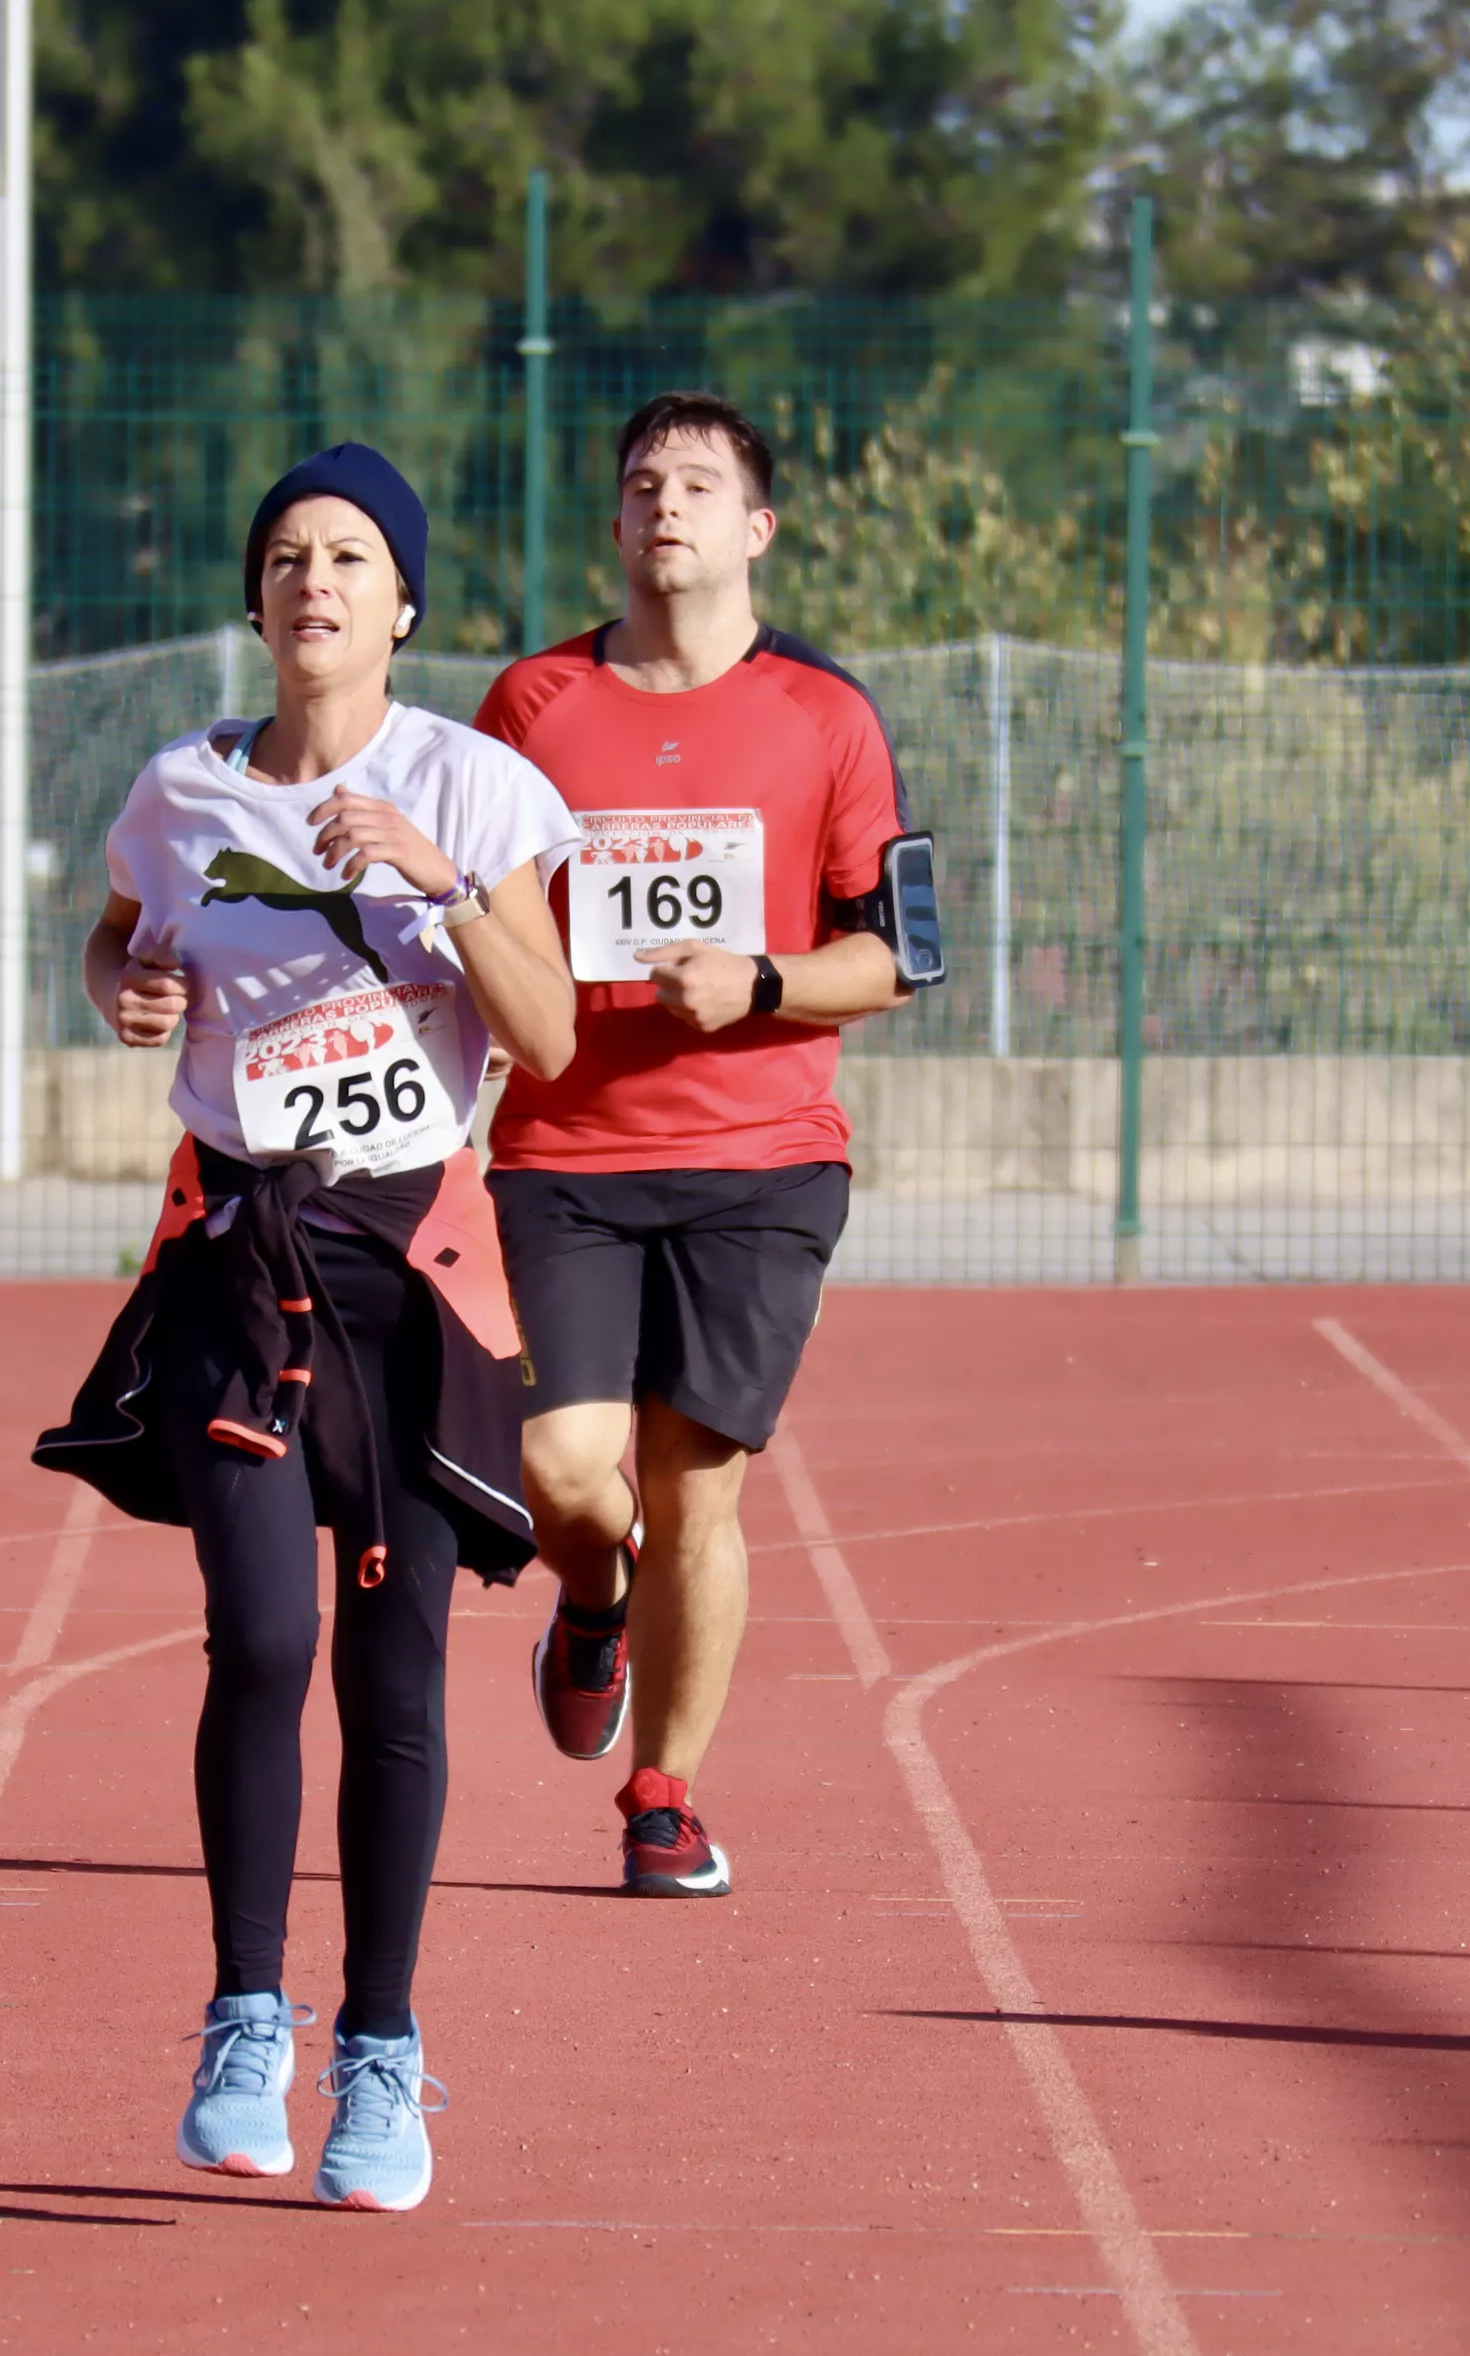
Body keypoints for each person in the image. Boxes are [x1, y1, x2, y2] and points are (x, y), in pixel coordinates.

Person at [35, 442, 581, 2212]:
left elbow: (552, 1039)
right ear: (257, 600)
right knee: (261, 1636)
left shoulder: (480, 791)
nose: (316, 580)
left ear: (403, 603)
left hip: (407, 1269)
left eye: (351, 556)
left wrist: (440, 875)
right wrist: (127, 989)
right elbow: (116, 938)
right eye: (287, 555)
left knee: (393, 1667)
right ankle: (245, 2015)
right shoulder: (183, 790)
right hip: (233, 1247)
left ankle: (387, 2057)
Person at [475, 393, 929, 1897]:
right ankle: (589, 1602)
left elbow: (903, 956)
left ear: (757, 528)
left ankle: (664, 1795)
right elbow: (476, 920)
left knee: (699, 1488)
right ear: (614, 525)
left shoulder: (829, 717)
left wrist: (761, 981)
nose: (666, 503)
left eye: (699, 484)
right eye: (642, 483)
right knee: (566, 1471)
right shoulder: (531, 708)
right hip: (567, 1155)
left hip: (766, 1157)